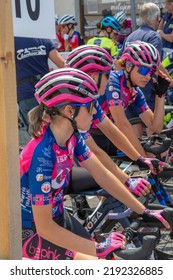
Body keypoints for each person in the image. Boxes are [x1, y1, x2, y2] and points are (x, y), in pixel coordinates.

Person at [20, 67, 172, 260]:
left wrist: (143, 211)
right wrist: (99, 248)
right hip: (34, 232)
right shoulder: (42, 154)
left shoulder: (72, 138)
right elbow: (44, 227)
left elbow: (103, 175)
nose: (96, 111)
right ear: (69, 111)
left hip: (58, 218)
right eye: (91, 106)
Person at [117, 3, 172, 133]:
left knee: (135, 130)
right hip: (146, 87)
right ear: (158, 18)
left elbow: (120, 61)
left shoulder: (130, 36)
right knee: (152, 129)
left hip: (129, 88)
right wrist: (169, 80)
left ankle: (138, 153)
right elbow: (155, 64)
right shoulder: (154, 36)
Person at [15, 36, 65, 134]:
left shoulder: (12, 41)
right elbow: (62, 64)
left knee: (35, 135)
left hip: (26, 94)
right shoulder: (43, 38)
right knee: (55, 131)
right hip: (47, 91)